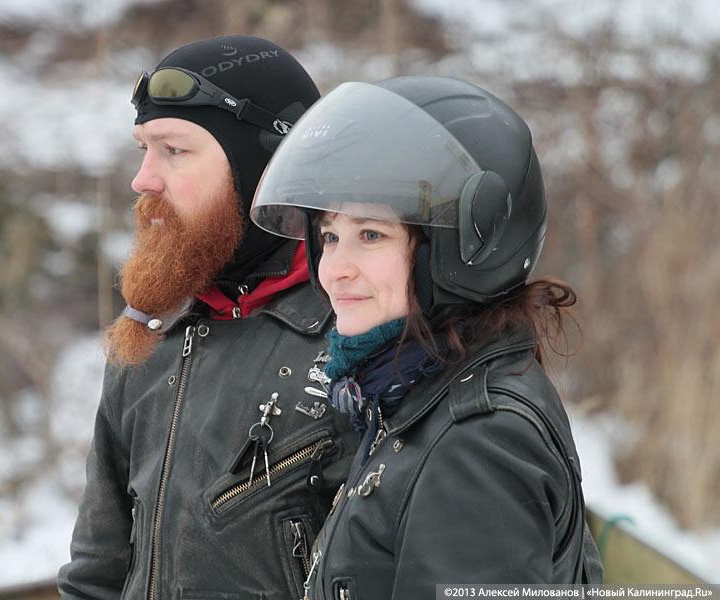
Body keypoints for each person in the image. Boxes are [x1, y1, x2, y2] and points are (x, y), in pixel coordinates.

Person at [250, 75, 604, 598]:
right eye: (330, 236)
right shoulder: (414, 398)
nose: (334, 269)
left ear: (462, 248)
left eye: (371, 234)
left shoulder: (477, 443)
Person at [57, 35, 358, 600]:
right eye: (143, 149)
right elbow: (95, 575)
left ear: (267, 169)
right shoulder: (150, 335)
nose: (143, 179)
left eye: (174, 150)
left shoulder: (365, 336)